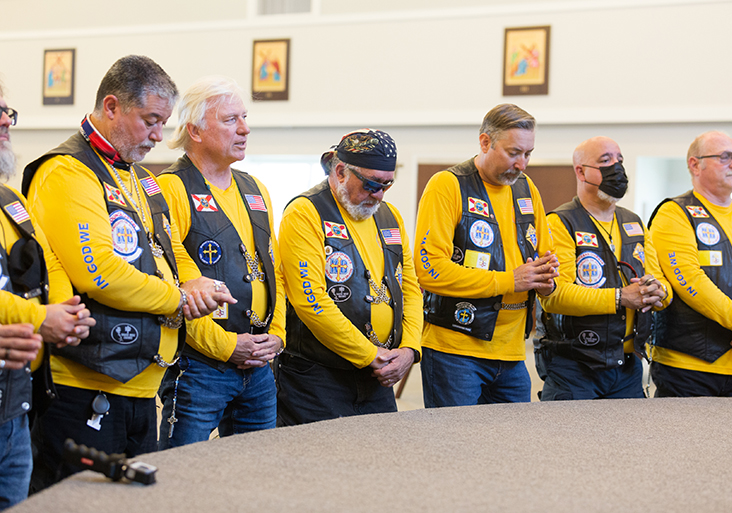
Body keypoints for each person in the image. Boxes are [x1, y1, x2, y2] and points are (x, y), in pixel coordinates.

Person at [22, 55, 235, 490]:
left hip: (141, 386)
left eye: (164, 122)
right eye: (150, 121)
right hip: (84, 387)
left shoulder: (139, 176)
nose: (159, 136)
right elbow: (98, 271)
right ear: (113, 106)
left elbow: (169, 245)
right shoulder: (67, 169)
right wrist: (179, 298)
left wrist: (196, 283)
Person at [156, 76, 285, 448]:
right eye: (230, 120)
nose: (244, 129)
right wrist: (228, 347)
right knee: (184, 472)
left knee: (255, 472)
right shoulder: (171, 188)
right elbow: (175, 282)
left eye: (244, 118)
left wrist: (276, 336)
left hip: (260, 364)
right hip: (200, 366)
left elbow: (274, 272)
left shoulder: (254, 188)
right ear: (195, 131)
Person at [415, 103, 559, 407]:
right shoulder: (448, 185)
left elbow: (544, 257)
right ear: (485, 142)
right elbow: (430, 270)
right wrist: (510, 280)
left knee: (510, 449)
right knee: (457, 448)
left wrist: (546, 281)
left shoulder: (527, 189)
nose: (522, 164)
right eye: (513, 152)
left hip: (512, 353)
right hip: (455, 352)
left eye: (528, 154)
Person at [276, 129, 422, 425]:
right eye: (370, 185)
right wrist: (369, 354)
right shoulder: (306, 212)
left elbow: (411, 289)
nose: (378, 194)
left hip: (377, 376)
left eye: (386, 185)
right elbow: (310, 300)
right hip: (316, 379)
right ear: (340, 171)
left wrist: (409, 350)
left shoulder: (389, 216)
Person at [0, 83, 95, 510]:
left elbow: (48, 261)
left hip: (15, 403)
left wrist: (63, 311)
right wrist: (41, 318)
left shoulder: (10, 200)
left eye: (7, 111)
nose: (6, 121)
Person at [537, 136, 671, 400]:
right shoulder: (560, 223)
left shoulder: (634, 223)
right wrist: (621, 297)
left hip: (628, 367)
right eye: (605, 161)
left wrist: (659, 293)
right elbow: (555, 296)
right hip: (575, 367)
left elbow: (664, 285)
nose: (617, 167)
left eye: (619, 160)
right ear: (581, 171)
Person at [648, 130, 732, 397]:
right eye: (724, 157)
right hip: (688, 368)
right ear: (695, 164)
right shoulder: (674, 213)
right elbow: (689, 281)